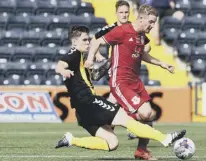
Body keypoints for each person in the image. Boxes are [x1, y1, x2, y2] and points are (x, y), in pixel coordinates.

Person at [55, 25, 186, 156]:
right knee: (125, 119)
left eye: (88, 39)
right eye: (84, 40)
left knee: (112, 143)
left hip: (81, 111)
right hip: (89, 102)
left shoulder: (81, 58)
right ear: (74, 42)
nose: (88, 42)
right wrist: (63, 71)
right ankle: (164, 138)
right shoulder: (74, 52)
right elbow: (60, 65)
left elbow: (88, 65)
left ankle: (71, 140)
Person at [85, 4, 175, 160]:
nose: (152, 26)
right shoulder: (122, 31)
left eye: (154, 22)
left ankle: (141, 151)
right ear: (141, 18)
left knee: (148, 115)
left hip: (135, 81)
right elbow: (96, 41)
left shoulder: (141, 35)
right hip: (120, 81)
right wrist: (90, 59)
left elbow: (142, 54)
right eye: (151, 22)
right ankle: (107, 123)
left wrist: (162, 63)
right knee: (144, 113)